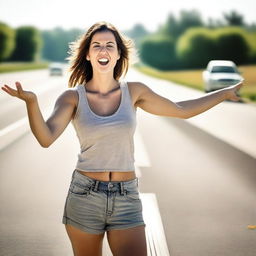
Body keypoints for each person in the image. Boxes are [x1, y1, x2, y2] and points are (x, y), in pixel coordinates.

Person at [1, 21, 243, 256]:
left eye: (110, 45)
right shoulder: (71, 97)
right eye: (96, 45)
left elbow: (181, 109)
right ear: (87, 54)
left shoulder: (135, 91)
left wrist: (223, 93)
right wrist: (31, 103)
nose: (103, 50)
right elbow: (46, 138)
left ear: (118, 55)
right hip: (85, 196)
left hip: (126, 196)